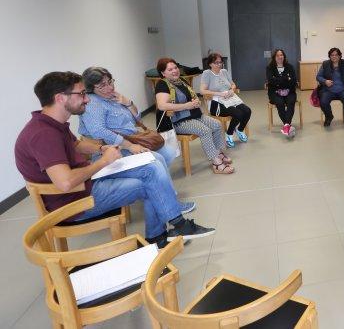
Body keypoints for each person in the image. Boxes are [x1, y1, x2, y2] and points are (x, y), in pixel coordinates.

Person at [15, 71, 214, 248]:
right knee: (150, 180)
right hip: (73, 202)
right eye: (82, 94)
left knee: (151, 168)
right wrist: (103, 161)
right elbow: (65, 182)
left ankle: (164, 233)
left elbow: (75, 145)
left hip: (85, 186)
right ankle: (170, 230)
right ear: (60, 98)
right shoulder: (44, 134)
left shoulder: (53, 123)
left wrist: (101, 148)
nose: (86, 99)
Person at [78, 67, 177, 165]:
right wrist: (130, 146)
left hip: (133, 137)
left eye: (110, 81)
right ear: (91, 88)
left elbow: (138, 120)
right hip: (115, 146)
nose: (110, 87)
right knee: (156, 161)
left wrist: (128, 103)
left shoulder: (112, 96)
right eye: (102, 85)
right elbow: (99, 131)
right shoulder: (92, 103)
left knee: (169, 153)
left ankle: (149, 178)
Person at [155, 57, 234, 174]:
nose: (174, 71)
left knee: (216, 124)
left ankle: (219, 152)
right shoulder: (162, 84)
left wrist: (195, 101)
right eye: (170, 69)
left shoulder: (182, 81)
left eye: (175, 68)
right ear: (163, 73)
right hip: (178, 121)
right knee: (205, 130)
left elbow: (192, 97)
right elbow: (162, 105)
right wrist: (186, 105)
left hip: (194, 116)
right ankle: (216, 162)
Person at [199, 52, 252, 148]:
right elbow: (202, 91)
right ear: (210, 64)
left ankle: (239, 130)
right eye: (216, 63)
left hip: (230, 98)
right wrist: (219, 94)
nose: (219, 64)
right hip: (216, 102)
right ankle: (229, 133)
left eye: (220, 62)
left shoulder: (224, 71)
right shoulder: (207, 73)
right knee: (238, 113)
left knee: (247, 111)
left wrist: (232, 90)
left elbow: (233, 84)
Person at [315, 47, 344, 127]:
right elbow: (318, 77)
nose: (334, 57)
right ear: (329, 56)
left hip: (343, 90)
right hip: (329, 90)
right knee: (323, 102)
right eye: (332, 55)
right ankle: (329, 117)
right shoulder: (325, 64)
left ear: (340, 56)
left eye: (336, 55)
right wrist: (325, 81)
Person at [266, 49, 298, 137]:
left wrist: (278, 81)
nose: (280, 57)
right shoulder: (270, 68)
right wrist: (286, 79)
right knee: (279, 103)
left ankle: (286, 125)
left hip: (289, 91)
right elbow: (271, 81)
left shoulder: (290, 67)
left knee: (291, 102)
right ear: (274, 57)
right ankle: (287, 125)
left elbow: (294, 82)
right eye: (277, 55)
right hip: (274, 92)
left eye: (281, 55)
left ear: (284, 56)